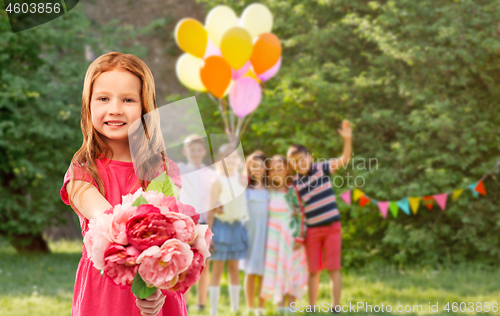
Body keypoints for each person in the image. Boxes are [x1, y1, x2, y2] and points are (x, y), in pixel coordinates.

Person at [60, 52, 187, 316]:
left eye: (128, 99)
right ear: (88, 106)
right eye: (103, 98)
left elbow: (171, 233)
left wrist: (157, 291)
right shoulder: (83, 172)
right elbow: (109, 224)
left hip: (155, 286)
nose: (115, 109)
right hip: (104, 294)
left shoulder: (163, 171)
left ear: (145, 107)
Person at [286, 120, 353, 313]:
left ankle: (336, 307)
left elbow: (344, 159)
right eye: (294, 162)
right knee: (314, 270)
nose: (299, 164)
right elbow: (298, 211)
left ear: (310, 157)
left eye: (302, 159)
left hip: (332, 227)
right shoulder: (295, 185)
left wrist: (347, 140)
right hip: (312, 231)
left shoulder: (322, 168)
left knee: (333, 268)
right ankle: (312, 307)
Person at [260, 155, 308, 313]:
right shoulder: (268, 191)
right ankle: (281, 308)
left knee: (290, 269)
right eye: (272, 170)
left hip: (290, 236)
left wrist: (300, 236)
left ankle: (291, 308)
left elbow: (300, 214)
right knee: (277, 271)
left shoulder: (293, 190)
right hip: (273, 238)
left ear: (287, 169)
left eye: (279, 168)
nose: (276, 172)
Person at [207, 144, 249, 316]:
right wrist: (209, 234)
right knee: (217, 268)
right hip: (221, 228)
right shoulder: (217, 181)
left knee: (234, 267)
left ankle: (235, 307)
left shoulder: (241, 180)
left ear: (238, 160)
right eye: (227, 157)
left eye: (234, 157)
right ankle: (214, 310)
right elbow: (210, 209)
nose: (230, 160)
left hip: (237, 227)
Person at [177, 134, 217, 312]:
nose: (195, 153)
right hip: (185, 222)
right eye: (191, 150)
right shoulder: (181, 169)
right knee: (186, 263)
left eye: (198, 149)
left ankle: (202, 302)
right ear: (186, 151)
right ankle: (183, 300)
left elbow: (213, 201)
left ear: (204, 152)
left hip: (204, 221)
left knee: (204, 264)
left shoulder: (211, 173)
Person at [241, 151, 269, 315]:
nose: (257, 169)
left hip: (266, 232)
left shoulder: (270, 188)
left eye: (260, 165)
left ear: (266, 167)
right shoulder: (245, 188)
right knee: (251, 271)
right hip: (250, 232)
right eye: (254, 166)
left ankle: (261, 306)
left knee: (264, 271)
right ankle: (251, 307)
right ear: (249, 168)